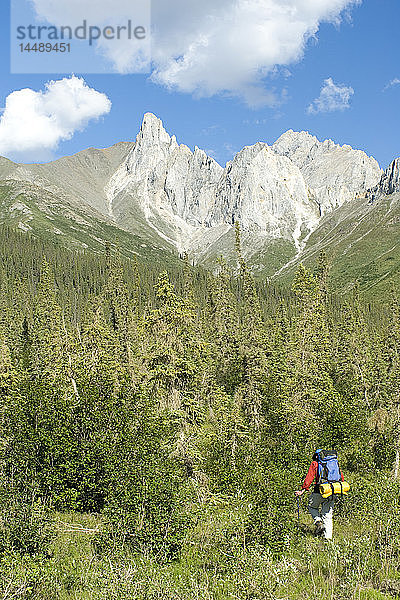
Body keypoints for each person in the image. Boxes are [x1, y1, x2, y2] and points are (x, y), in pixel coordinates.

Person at [295, 450, 344, 541]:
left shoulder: (315, 463)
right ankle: (328, 539)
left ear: (317, 456)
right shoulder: (334, 462)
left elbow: (309, 478)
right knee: (328, 514)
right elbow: (341, 477)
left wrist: (302, 490)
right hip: (333, 490)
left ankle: (318, 522)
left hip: (320, 490)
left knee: (312, 506)